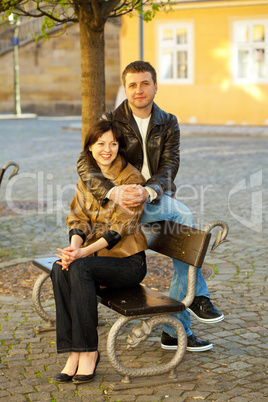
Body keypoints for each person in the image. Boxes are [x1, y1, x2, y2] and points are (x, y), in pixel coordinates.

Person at [77, 61, 224, 352]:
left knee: (182, 221)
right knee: (183, 214)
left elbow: (170, 165)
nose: (139, 90)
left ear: (155, 86)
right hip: (117, 208)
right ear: (125, 88)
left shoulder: (168, 121)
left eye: (145, 83)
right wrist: (114, 191)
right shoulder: (112, 119)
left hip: (150, 201)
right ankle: (195, 299)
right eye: (132, 84)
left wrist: (149, 191)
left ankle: (175, 327)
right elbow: (84, 161)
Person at [51, 120, 148, 384]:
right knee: (61, 266)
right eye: (101, 143)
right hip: (94, 260)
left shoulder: (131, 179)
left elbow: (121, 228)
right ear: (90, 147)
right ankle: (73, 351)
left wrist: (84, 254)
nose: (107, 149)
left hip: (128, 264)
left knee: (79, 267)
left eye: (113, 144)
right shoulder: (88, 179)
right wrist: (74, 248)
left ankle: (89, 352)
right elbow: (78, 218)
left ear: (120, 147)